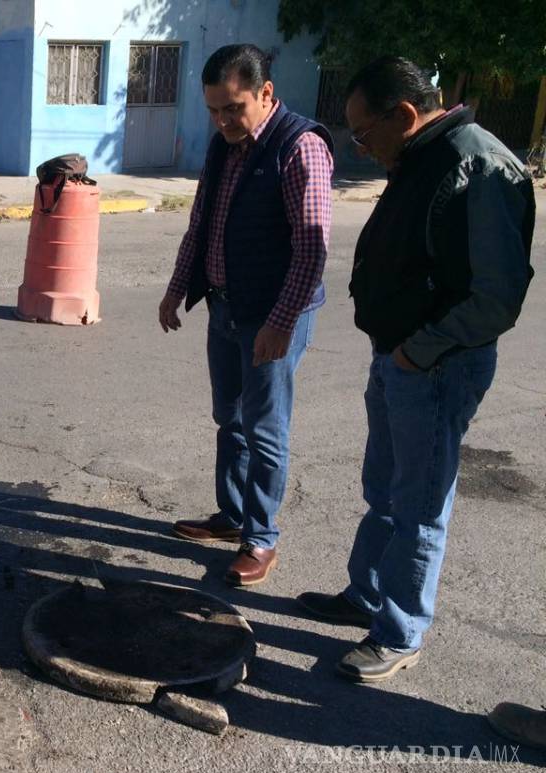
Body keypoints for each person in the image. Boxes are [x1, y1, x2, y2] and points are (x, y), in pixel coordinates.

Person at [297, 57, 534, 682]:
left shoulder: (478, 165)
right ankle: (366, 596)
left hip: (435, 365)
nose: (362, 147)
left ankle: (400, 633)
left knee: (421, 505)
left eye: (365, 133)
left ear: (403, 114)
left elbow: (496, 298)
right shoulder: (421, 154)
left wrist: (418, 350)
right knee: (384, 490)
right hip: (398, 357)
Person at [158, 44, 333, 587]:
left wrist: (281, 323)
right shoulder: (222, 146)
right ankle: (232, 516)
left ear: (265, 94)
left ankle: (261, 539)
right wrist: (176, 290)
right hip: (225, 307)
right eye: (213, 109)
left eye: (233, 108)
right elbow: (201, 225)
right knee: (228, 419)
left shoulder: (299, 147)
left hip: (273, 314)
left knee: (264, 428)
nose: (223, 120)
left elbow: (311, 249)